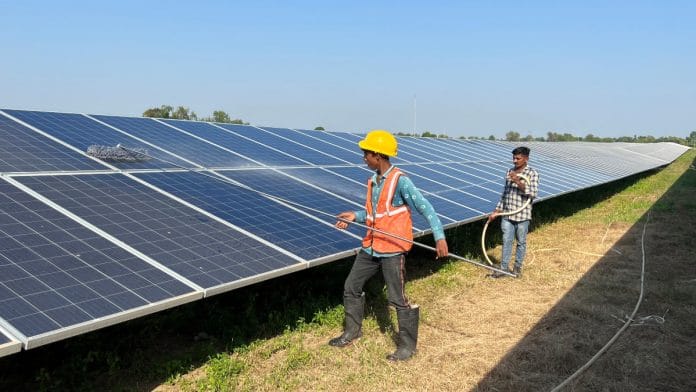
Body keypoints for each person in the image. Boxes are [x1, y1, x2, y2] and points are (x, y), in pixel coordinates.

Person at [329, 129, 449, 361]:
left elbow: (426, 208)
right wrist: (355, 215)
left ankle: (406, 346)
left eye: (366, 154)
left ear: (378, 155)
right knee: (351, 286)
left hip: (393, 249)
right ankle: (352, 332)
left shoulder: (400, 181)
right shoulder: (374, 181)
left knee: (397, 297)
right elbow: (377, 213)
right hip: (371, 246)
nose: (364, 158)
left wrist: (439, 236)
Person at [487, 146, 539, 278]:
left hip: (522, 215)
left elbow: (532, 193)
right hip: (507, 214)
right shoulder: (509, 171)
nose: (515, 161)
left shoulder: (532, 173)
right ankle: (503, 269)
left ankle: (517, 268)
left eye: (518, 158)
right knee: (506, 241)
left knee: (521, 242)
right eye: (514, 158)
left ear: (526, 158)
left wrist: (517, 180)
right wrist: (496, 211)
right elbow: (505, 194)